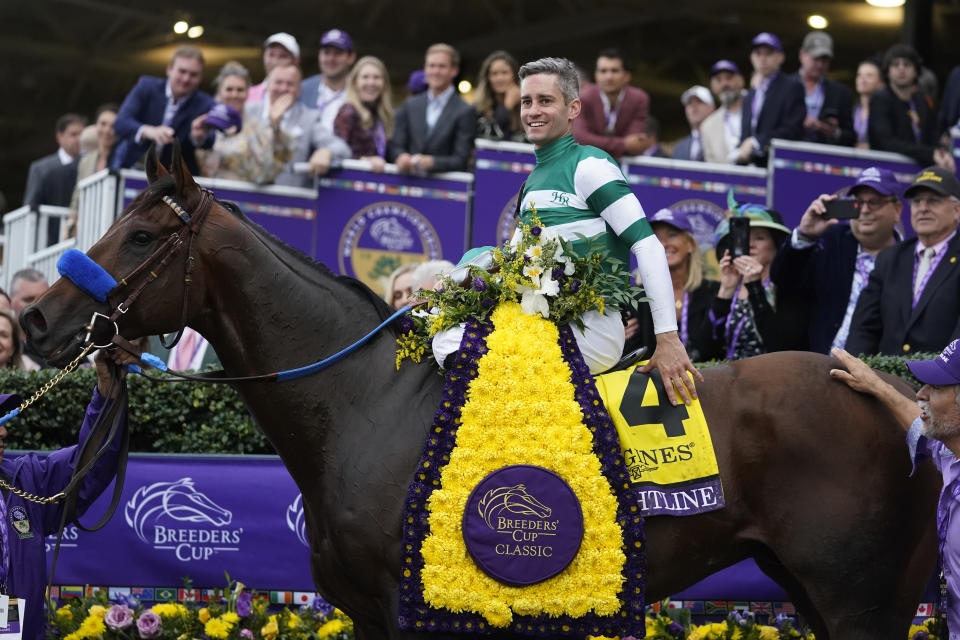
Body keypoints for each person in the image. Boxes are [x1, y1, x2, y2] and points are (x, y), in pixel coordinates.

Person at [499, 56, 701, 403]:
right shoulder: (530, 183)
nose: (533, 110)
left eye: (546, 101)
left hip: (593, 331)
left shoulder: (591, 166)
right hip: (540, 326)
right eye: (526, 102)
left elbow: (647, 246)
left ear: (573, 108)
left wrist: (667, 339)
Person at [1, 347, 136, 639]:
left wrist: (107, 387)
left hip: (11, 624)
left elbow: (88, 465)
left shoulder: (25, 478)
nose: (3, 432)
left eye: (2, 420)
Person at [829, 341, 960, 640]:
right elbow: (919, 425)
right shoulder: (951, 452)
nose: (920, 394)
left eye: (937, 388)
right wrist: (877, 385)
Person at [770, 166, 903, 354]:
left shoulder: (909, 257)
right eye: (858, 202)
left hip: (879, 370)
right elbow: (782, 278)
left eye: (875, 202)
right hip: (822, 366)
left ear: (897, 209)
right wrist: (805, 234)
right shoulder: (830, 241)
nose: (865, 210)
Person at [846, 166, 960, 356]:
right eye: (917, 201)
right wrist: (853, 372)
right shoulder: (890, 258)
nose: (923, 208)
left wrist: (944, 378)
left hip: (944, 381)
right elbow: (864, 329)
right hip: (884, 380)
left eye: (933, 201)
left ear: (956, 210)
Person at [623, 208, 722, 363]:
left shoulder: (715, 292)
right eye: (655, 237)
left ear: (690, 244)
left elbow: (720, 348)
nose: (663, 244)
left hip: (707, 382)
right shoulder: (635, 298)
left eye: (672, 235)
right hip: (653, 384)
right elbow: (632, 357)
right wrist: (618, 341)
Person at [710, 207, 802, 359]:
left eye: (759, 238)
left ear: (776, 244)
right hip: (725, 378)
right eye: (743, 237)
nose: (750, 244)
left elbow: (782, 347)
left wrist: (755, 288)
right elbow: (703, 351)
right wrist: (726, 290)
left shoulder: (788, 290)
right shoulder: (724, 286)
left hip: (768, 378)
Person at [112, 45, 213, 176]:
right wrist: (149, 131)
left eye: (193, 75)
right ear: (169, 70)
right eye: (182, 71)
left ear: (200, 77)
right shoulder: (146, 86)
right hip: (130, 168)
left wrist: (197, 136)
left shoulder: (205, 103)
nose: (186, 79)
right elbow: (121, 123)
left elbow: (210, 140)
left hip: (174, 180)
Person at [246, 64, 351, 187]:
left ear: (299, 90)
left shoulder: (309, 118)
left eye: (290, 84)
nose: (283, 88)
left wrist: (327, 151)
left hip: (290, 199)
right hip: (247, 196)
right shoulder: (248, 111)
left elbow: (342, 148)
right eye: (278, 82)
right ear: (267, 85)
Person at [192, 62, 296, 184]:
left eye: (240, 90)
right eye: (229, 89)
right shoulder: (207, 123)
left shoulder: (257, 128)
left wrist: (275, 125)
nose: (234, 94)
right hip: (209, 197)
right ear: (220, 92)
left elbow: (266, 172)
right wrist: (197, 139)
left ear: (248, 93)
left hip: (243, 200)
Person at [390, 43, 475, 174]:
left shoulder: (465, 111)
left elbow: (461, 159)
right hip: (407, 184)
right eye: (431, 66)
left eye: (442, 66)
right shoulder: (410, 105)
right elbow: (396, 145)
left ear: (454, 71)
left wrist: (432, 162)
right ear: (425, 69)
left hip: (445, 188)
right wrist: (400, 156)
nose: (436, 71)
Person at [868, 44, 954, 172]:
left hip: (921, 171)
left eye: (907, 64)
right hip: (886, 170)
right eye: (895, 64)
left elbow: (932, 136)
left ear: (916, 71)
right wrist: (929, 153)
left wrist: (940, 152)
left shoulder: (921, 100)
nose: (901, 69)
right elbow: (886, 142)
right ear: (888, 71)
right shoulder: (880, 99)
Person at [737, 32, 805, 166]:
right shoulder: (749, 95)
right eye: (758, 53)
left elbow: (793, 129)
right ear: (752, 58)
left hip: (779, 166)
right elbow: (746, 135)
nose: (762, 58)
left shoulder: (792, 87)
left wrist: (757, 142)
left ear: (780, 57)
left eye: (768, 53)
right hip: (750, 167)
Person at [572, 48, 649, 160]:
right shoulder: (583, 97)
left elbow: (635, 143)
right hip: (585, 162)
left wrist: (597, 142)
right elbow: (580, 138)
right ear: (596, 75)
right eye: (603, 71)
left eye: (614, 71)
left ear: (627, 76)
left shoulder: (639, 98)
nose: (609, 77)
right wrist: (623, 144)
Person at [333, 56, 394, 172]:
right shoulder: (348, 111)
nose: (371, 83)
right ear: (355, 82)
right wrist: (362, 160)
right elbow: (336, 151)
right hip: (351, 180)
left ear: (384, 83)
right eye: (365, 77)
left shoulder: (383, 115)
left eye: (377, 77)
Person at [795, 31, 855, 146]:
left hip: (824, 157)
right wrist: (797, 121)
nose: (820, 64)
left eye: (825, 60)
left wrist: (834, 132)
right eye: (815, 58)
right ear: (802, 55)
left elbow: (850, 136)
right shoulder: (783, 86)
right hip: (787, 155)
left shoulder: (841, 93)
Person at [69, 104, 118, 235]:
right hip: (86, 228)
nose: (107, 130)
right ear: (96, 126)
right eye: (103, 124)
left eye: (113, 126)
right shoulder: (85, 161)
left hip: (113, 228)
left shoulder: (123, 160)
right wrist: (71, 222)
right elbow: (76, 198)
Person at [300, 29, 357, 137]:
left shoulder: (361, 91)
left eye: (338, 53)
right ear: (319, 56)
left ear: (351, 57)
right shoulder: (303, 89)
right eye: (326, 52)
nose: (331, 58)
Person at [23, 113, 85, 208]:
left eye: (82, 134)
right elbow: (31, 204)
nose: (79, 139)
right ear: (59, 137)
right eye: (73, 134)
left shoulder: (89, 163)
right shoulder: (41, 168)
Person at [701, 60, 746, 164]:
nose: (724, 84)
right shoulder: (707, 126)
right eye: (718, 80)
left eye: (729, 78)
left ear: (741, 81)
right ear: (713, 87)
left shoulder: (757, 107)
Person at [473, 50, 522, 141]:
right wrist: (507, 105)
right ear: (488, 78)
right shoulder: (478, 108)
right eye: (494, 73)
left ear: (514, 75)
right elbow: (490, 137)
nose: (499, 78)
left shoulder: (527, 106)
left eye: (505, 73)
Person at [10, 269, 49, 369]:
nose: (37, 305)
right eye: (28, 299)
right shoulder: (4, 345)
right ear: (11, 301)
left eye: (43, 298)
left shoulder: (64, 343)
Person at [246, 32, 300, 105]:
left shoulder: (308, 96)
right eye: (271, 54)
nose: (275, 61)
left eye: (282, 56)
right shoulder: (248, 95)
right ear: (264, 56)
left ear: (296, 61)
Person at [672, 85, 715, 161]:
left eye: (699, 102)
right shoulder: (679, 147)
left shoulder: (724, 140)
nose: (693, 106)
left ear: (712, 108)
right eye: (689, 103)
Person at [853, 58, 885, 149]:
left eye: (869, 75)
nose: (862, 79)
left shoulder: (885, 112)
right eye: (859, 75)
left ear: (881, 83)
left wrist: (871, 147)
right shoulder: (852, 109)